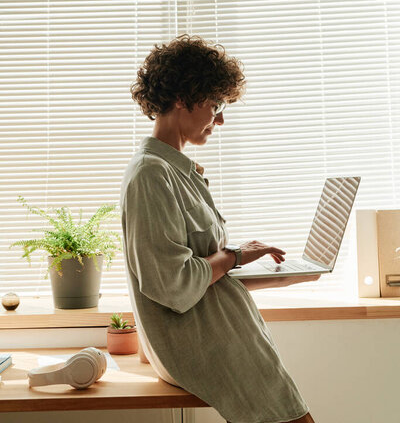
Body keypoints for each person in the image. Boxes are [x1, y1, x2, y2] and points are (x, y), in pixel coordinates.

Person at [120, 34, 319, 423]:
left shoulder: (175, 171)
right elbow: (173, 284)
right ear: (182, 98)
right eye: (215, 105)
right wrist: (234, 255)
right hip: (207, 341)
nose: (221, 119)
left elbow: (203, 270)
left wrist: (277, 276)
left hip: (226, 331)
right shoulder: (150, 175)